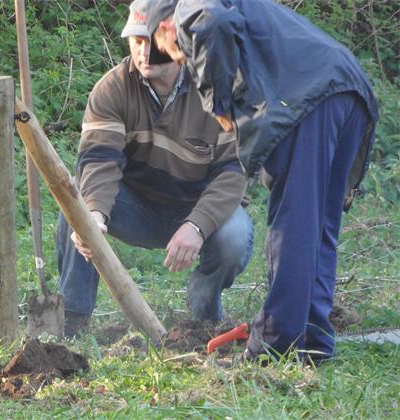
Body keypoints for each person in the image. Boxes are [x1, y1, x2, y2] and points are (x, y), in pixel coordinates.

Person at [146, 0, 378, 363]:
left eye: (169, 51)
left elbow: (212, 22)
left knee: (295, 224)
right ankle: (311, 340)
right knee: (319, 226)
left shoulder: (189, 7)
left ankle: (273, 345)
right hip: (348, 90)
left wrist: (218, 102)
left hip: (311, 96)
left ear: (166, 27)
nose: (177, 59)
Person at [58, 0, 253, 338]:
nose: (144, 53)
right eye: (137, 41)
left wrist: (197, 225)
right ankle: (73, 324)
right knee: (75, 209)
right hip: (136, 206)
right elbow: (100, 159)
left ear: (177, 41)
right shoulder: (112, 88)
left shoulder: (217, 87)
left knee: (235, 237)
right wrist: (95, 214)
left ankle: (204, 319)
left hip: (195, 205)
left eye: (152, 43)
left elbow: (232, 172)